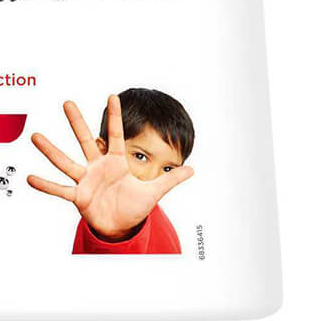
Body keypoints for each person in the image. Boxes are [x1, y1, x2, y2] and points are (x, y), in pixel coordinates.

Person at [28, 88, 195, 253]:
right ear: (102, 151)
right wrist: (115, 236)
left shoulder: (163, 227)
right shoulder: (101, 214)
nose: (152, 176)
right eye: (140, 156)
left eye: (167, 168)